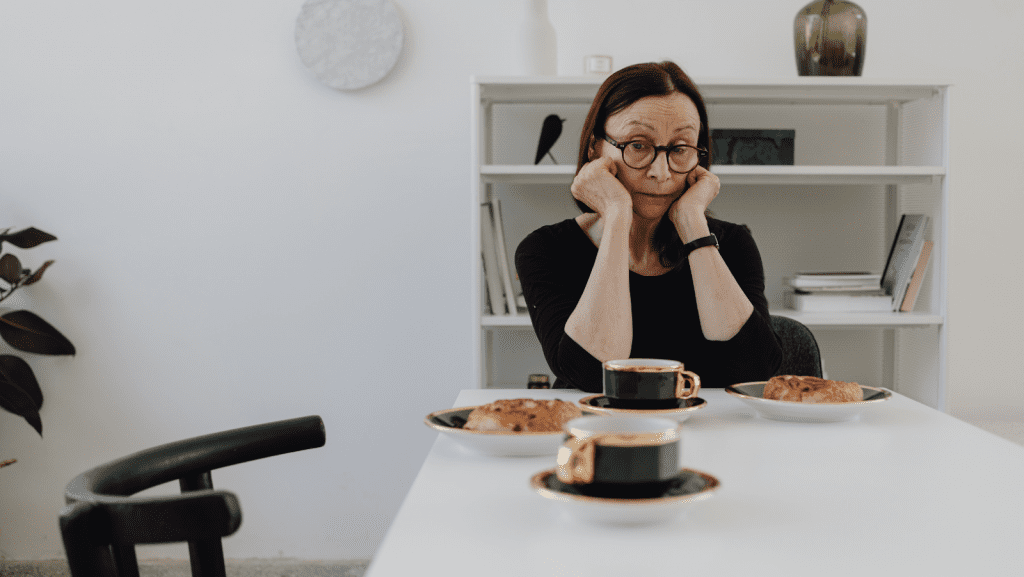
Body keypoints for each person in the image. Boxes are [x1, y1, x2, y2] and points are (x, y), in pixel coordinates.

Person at [514, 62, 783, 392]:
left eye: (680, 149)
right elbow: (590, 374)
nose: (661, 172)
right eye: (638, 145)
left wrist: (692, 225)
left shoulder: (732, 243)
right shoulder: (545, 249)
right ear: (594, 149)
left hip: (708, 433)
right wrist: (616, 215)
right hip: (596, 433)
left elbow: (756, 370)